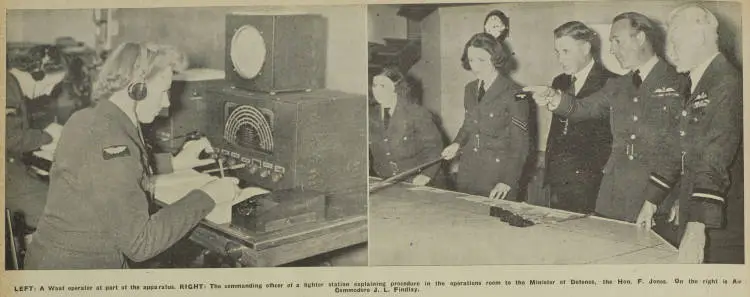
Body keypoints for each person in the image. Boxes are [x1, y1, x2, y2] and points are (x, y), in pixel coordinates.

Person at [24, 42, 240, 270]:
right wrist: (208, 195)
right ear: (138, 88)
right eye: (164, 90)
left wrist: (175, 162)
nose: (166, 102)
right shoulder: (112, 141)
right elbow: (140, 243)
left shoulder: (89, 118)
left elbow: (115, 171)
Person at [524, 12, 686, 222]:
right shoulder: (618, 85)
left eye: (617, 41)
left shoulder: (679, 83)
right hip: (613, 197)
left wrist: (682, 196)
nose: (611, 49)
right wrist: (552, 95)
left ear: (640, 38)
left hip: (654, 197)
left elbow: (685, 148)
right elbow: (582, 108)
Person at [635, 5, 743, 264]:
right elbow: (676, 145)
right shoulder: (696, 83)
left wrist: (696, 229)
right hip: (697, 214)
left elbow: (714, 157)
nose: (670, 52)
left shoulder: (726, 83)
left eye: (676, 42)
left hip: (720, 223)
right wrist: (651, 201)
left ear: (699, 38)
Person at [441, 33, 530, 200]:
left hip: (498, 177)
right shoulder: (470, 89)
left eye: (481, 60)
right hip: (468, 172)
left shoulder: (517, 93)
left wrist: (507, 180)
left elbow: (520, 144)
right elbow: (469, 124)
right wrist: (457, 143)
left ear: (495, 58)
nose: (475, 66)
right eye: (472, 60)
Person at [539, 21, 615, 213]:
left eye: (566, 51)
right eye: (557, 52)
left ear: (586, 48)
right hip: (558, 176)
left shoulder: (610, 82)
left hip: (591, 181)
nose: (560, 59)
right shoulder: (559, 81)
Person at [5, 45, 66, 230]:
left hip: (10, 168)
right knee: (59, 212)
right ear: (35, 73)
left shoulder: (10, 85)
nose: (48, 92)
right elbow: (10, 138)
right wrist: (47, 136)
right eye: (48, 85)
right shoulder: (8, 90)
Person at [369, 67, 446, 187]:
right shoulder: (370, 115)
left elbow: (434, 148)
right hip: (386, 181)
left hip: (418, 181)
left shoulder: (417, 113)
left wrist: (426, 175)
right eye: (374, 85)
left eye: (383, 86)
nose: (377, 91)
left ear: (396, 88)